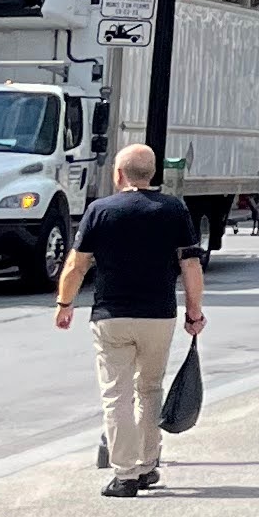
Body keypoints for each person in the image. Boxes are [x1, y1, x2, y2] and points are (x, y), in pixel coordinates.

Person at [56, 143, 205, 497]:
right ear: (152, 174)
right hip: (158, 314)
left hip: (111, 315)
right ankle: (146, 464)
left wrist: (64, 303)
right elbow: (190, 265)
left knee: (116, 395)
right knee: (149, 389)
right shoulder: (173, 210)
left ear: (118, 174)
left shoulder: (100, 210)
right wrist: (194, 312)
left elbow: (77, 264)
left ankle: (124, 474)